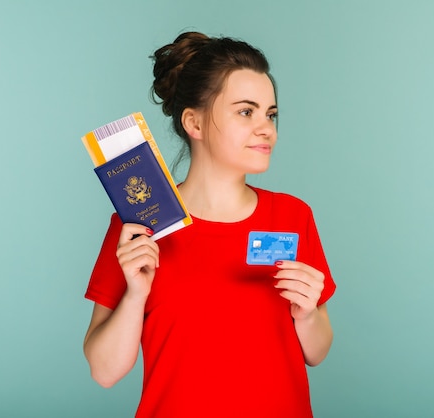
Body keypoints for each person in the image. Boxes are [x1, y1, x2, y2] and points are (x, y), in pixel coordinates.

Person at [83, 31, 336, 418]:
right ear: (194, 123)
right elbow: (103, 372)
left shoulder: (292, 216)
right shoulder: (138, 224)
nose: (267, 128)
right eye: (246, 111)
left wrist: (306, 314)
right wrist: (135, 295)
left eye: (271, 114)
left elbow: (316, 353)